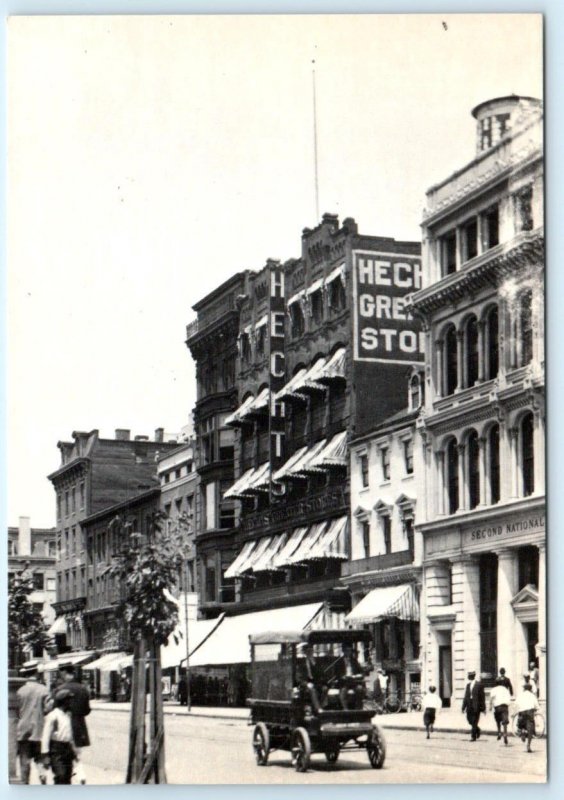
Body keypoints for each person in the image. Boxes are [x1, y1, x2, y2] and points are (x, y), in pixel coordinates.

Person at [15, 661, 49, 784]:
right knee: (40, 758)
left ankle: (25, 786)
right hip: (39, 730)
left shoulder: (20, 691)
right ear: (37, 673)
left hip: (22, 730)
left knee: (24, 761)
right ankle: (42, 777)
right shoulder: (44, 690)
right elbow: (48, 709)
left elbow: (16, 711)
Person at [58, 663, 91, 784]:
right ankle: (81, 775)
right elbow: (87, 710)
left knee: (64, 755)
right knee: (77, 753)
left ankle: (68, 778)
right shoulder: (83, 689)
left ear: (64, 673)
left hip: (63, 726)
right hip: (79, 726)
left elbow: (55, 709)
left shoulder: (60, 689)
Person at [41, 689, 76, 784]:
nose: (71, 702)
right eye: (69, 700)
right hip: (56, 749)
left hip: (67, 749)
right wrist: (45, 754)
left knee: (68, 776)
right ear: (63, 701)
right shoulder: (53, 716)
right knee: (61, 775)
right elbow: (45, 736)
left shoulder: (68, 715)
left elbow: (70, 735)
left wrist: (74, 751)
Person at [515, 682, 540, 753]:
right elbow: (537, 706)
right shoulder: (532, 696)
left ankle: (522, 731)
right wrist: (535, 709)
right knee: (530, 729)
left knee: (521, 724)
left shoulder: (520, 695)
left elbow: (516, 704)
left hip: (522, 713)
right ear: (530, 689)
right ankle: (528, 745)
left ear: (524, 689)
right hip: (530, 712)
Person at [462, 670, 486, 742]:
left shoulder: (479, 684)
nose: (469, 677)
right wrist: (463, 707)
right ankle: (477, 730)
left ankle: (473, 736)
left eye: (470, 675)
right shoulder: (468, 685)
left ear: (473, 676)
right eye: (469, 675)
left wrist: (483, 708)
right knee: (469, 720)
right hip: (469, 705)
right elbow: (466, 697)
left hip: (476, 705)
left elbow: (482, 697)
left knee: (475, 721)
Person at [490, 677, 512, 744]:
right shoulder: (505, 689)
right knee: (505, 721)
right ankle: (505, 733)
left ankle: (499, 732)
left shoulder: (493, 689)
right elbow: (509, 697)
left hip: (497, 707)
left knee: (498, 720)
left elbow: (491, 698)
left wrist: (490, 706)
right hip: (505, 706)